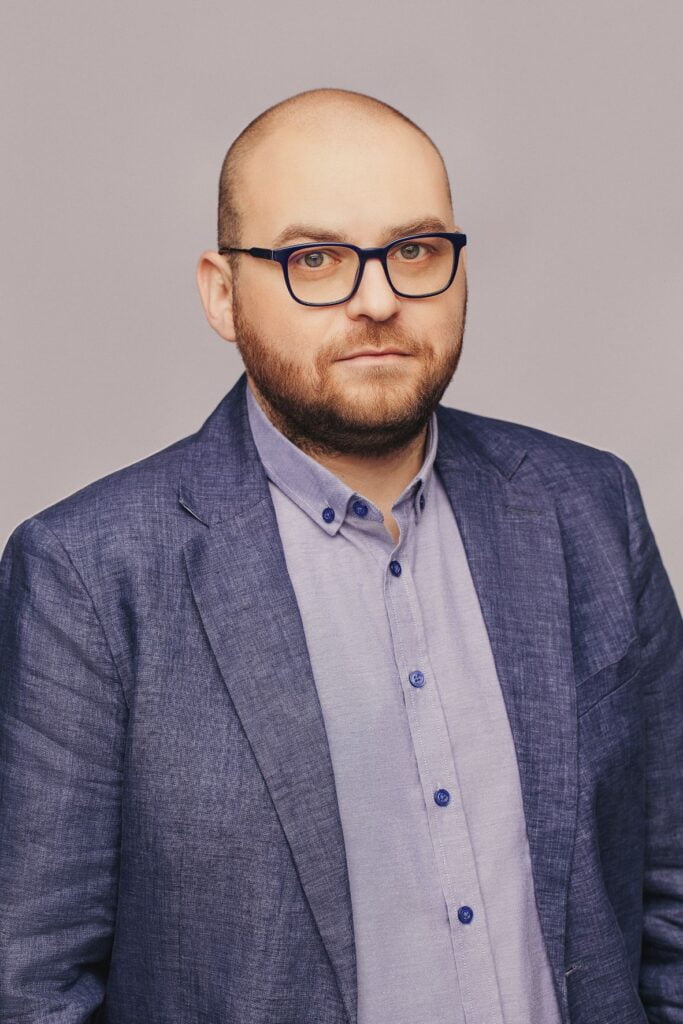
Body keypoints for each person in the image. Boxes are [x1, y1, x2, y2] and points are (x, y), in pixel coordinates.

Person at [0, 86, 681, 1024]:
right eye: (313, 258)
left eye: (415, 250)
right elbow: (29, 981)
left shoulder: (587, 509)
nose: (378, 299)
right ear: (221, 292)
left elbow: (671, 886)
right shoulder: (87, 575)